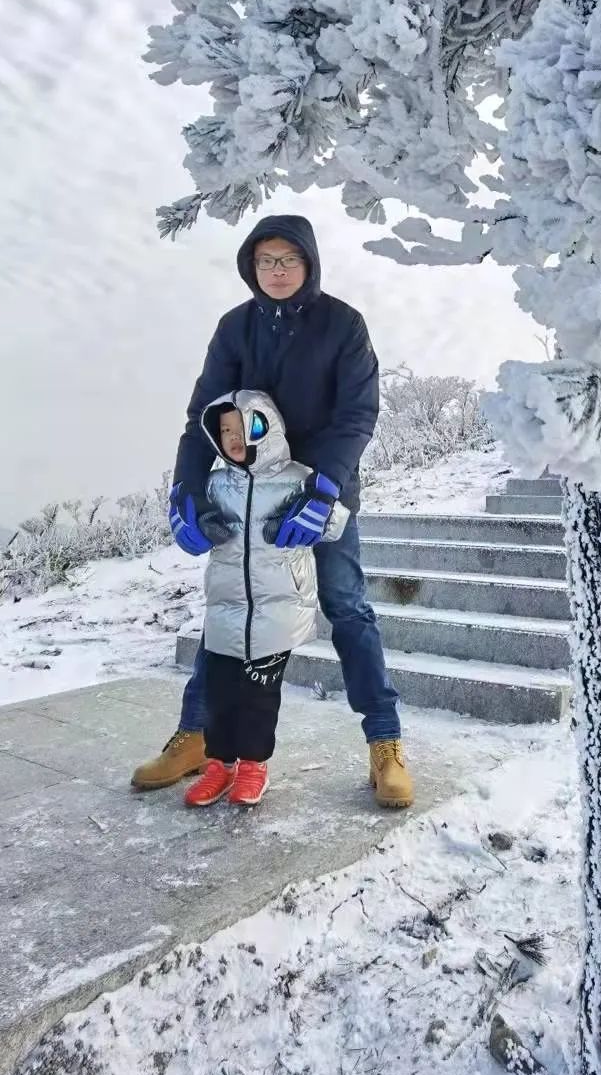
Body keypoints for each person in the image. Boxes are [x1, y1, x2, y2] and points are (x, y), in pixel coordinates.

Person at [132, 213, 414, 809]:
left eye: (288, 259)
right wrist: (186, 492)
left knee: (346, 607)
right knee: (231, 610)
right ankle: (196, 736)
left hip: (319, 494)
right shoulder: (236, 327)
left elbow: (357, 415)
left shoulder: (344, 325)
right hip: (248, 491)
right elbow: (201, 414)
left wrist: (324, 489)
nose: (277, 271)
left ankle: (385, 742)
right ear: (250, 266)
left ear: (309, 262)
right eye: (266, 261)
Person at [185, 391, 345, 809]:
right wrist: (197, 520)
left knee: (258, 695)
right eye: (225, 431)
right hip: (224, 606)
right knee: (218, 692)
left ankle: (254, 764)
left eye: (241, 428)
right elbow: (193, 519)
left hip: (278, 608)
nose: (233, 438)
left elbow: (336, 522)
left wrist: (318, 509)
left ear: (265, 426)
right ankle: (219, 764)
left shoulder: (297, 477)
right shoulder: (216, 483)